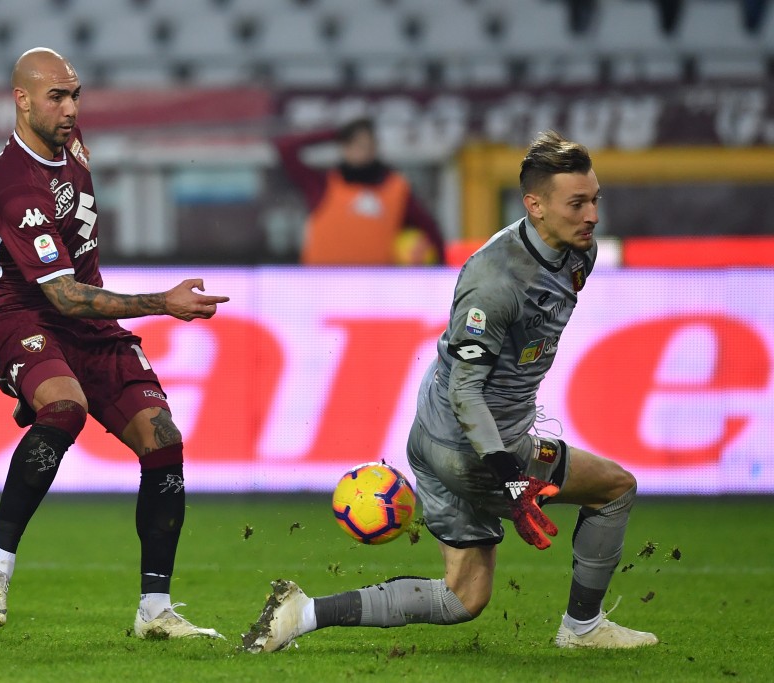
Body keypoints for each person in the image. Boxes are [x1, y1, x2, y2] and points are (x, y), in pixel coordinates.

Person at [243, 130, 658, 652]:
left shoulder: (578, 253)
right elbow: (467, 391)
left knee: (463, 597)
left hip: (433, 437)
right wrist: (510, 477)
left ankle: (301, 615)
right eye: (577, 203)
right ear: (536, 205)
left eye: (595, 199)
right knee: (616, 488)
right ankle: (582, 628)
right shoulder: (494, 281)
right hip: (481, 447)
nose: (592, 215)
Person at [0, 47, 229, 640]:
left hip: (87, 321)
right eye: (56, 96)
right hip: (25, 315)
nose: (70, 108)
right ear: (21, 100)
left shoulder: (71, 140)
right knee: (65, 406)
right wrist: (163, 302)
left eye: (76, 94)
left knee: (163, 440)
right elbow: (60, 297)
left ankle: (155, 611)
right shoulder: (13, 185)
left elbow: (80, 297)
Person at [274, 117, 445, 266]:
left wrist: (442, 265)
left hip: (375, 288)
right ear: (344, 147)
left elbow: (429, 227)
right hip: (323, 285)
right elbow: (285, 147)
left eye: (367, 145)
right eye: (355, 144)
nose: (362, 151)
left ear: (376, 147)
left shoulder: (396, 189)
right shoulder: (323, 185)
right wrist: (335, 134)